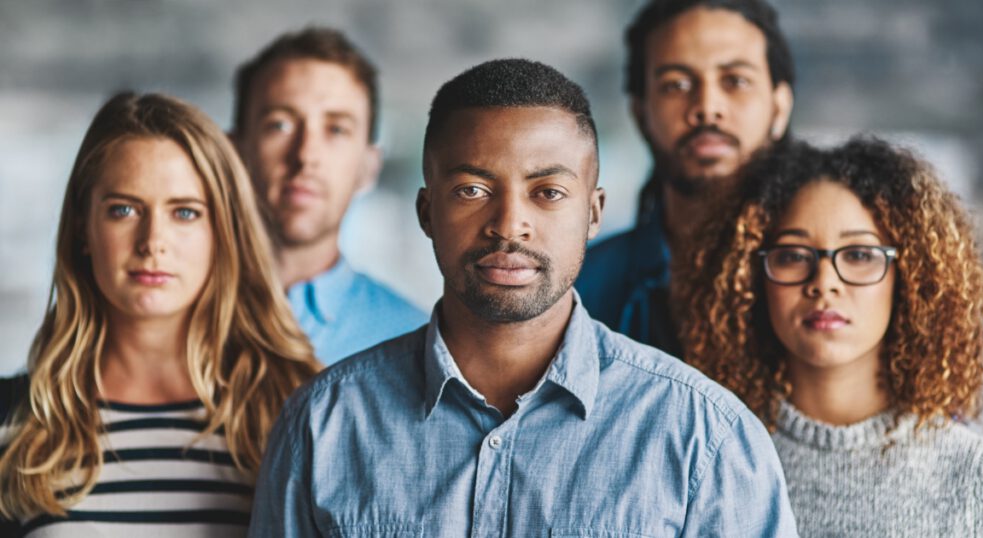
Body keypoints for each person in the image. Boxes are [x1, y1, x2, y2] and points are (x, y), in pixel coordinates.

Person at [249, 58, 798, 537]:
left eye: (548, 192)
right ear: (426, 212)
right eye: (472, 190)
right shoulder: (322, 424)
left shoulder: (705, 437)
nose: (510, 224)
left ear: (593, 214)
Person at [0, 92, 321, 536]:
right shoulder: (15, 420)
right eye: (124, 210)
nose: (152, 242)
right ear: (82, 228)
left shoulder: (302, 410)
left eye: (185, 213)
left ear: (223, 232)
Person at [672, 137, 983, 535]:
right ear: (749, 278)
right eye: (793, 255)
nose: (824, 283)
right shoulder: (706, 462)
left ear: (911, 278)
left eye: (859, 255)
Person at [576, 0, 795, 355]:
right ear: (640, 113)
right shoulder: (578, 290)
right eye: (676, 84)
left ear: (779, 108)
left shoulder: (839, 278)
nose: (707, 107)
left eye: (736, 81)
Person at [231, 27, 427, 364]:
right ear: (233, 152)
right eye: (280, 125)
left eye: (336, 129)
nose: (306, 155)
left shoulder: (418, 348)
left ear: (368, 167)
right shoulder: (162, 316)